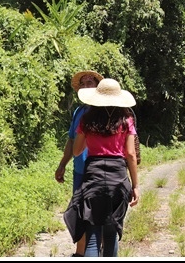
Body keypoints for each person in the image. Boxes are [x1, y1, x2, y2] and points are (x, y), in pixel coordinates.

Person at [63, 78, 140, 257]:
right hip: (118, 179)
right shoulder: (126, 119)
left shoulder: (87, 119)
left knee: (92, 235)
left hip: (93, 178)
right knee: (111, 234)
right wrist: (135, 185)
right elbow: (130, 154)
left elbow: (76, 151)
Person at [55, 70, 103, 257]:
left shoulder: (104, 111)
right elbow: (71, 140)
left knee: (98, 216)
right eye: (83, 83)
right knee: (79, 213)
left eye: (90, 81)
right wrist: (62, 164)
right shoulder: (79, 111)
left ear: (98, 86)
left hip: (98, 171)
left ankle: (98, 252)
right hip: (80, 172)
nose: (86, 85)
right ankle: (80, 253)